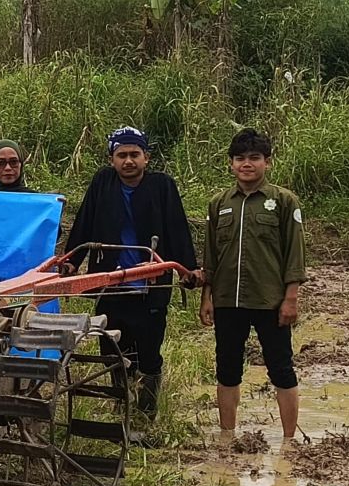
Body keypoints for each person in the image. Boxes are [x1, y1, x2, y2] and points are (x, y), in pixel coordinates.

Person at [62, 126, 199, 425]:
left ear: (146, 158)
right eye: (121, 155)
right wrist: (72, 260)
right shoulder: (102, 183)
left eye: (134, 154)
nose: (128, 161)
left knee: (148, 352)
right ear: (112, 159)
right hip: (111, 285)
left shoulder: (162, 186)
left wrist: (189, 268)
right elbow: (84, 222)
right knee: (112, 349)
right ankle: (120, 409)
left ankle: (145, 414)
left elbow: (177, 228)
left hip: (150, 286)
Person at [200, 128, 306, 440]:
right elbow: (211, 256)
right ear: (231, 164)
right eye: (240, 158)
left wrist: (291, 298)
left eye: (254, 158)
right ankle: (227, 435)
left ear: (267, 162)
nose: (247, 164)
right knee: (227, 369)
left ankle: (289, 440)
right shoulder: (219, 204)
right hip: (227, 301)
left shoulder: (284, 202)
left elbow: (294, 254)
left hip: (269, 301)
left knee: (281, 370)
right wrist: (207, 297)